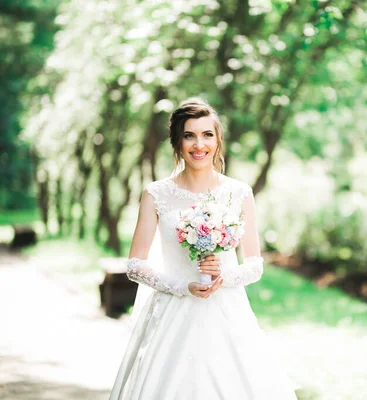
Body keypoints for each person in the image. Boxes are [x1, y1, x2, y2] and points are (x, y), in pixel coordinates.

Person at [109, 99, 297, 399]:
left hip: (227, 314)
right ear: (177, 142)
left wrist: (224, 276)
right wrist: (183, 286)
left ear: (218, 139)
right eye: (189, 135)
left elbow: (254, 264)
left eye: (207, 134)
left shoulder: (238, 193)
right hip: (172, 313)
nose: (199, 144)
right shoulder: (156, 194)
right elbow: (135, 264)